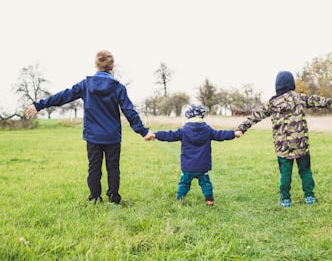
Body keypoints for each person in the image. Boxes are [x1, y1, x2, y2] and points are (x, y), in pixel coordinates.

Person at [25, 50, 153, 205]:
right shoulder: (118, 88)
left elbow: (64, 96)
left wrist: (39, 105)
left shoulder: (86, 85)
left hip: (93, 136)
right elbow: (129, 111)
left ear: (96, 65)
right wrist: (144, 131)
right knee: (113, 168)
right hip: (112, 136)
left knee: (94, 168)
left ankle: (94, 197)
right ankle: (113, 198)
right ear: (112, 66)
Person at [235, 71, 332, 208]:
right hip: (301, 145)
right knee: (305, 171)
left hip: (283, 148)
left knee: (285, 174)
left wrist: (241, 128)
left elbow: (255, 116)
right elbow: (321, 101)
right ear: (291, 84)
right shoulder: (299, 98)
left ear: (277, 85)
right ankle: (309, 197)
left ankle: (285, 200)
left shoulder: (272, 103)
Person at [147, 104, 242, 206]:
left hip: (188, 166)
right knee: (205, 183)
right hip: (202, 166)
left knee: (184, 183)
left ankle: (180, 199)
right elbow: (220, 134)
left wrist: (156, 135)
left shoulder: (183, 130)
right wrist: (233, 134)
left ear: (188, 116)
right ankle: (209, 200)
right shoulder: (208, 130)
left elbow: (170, 135)